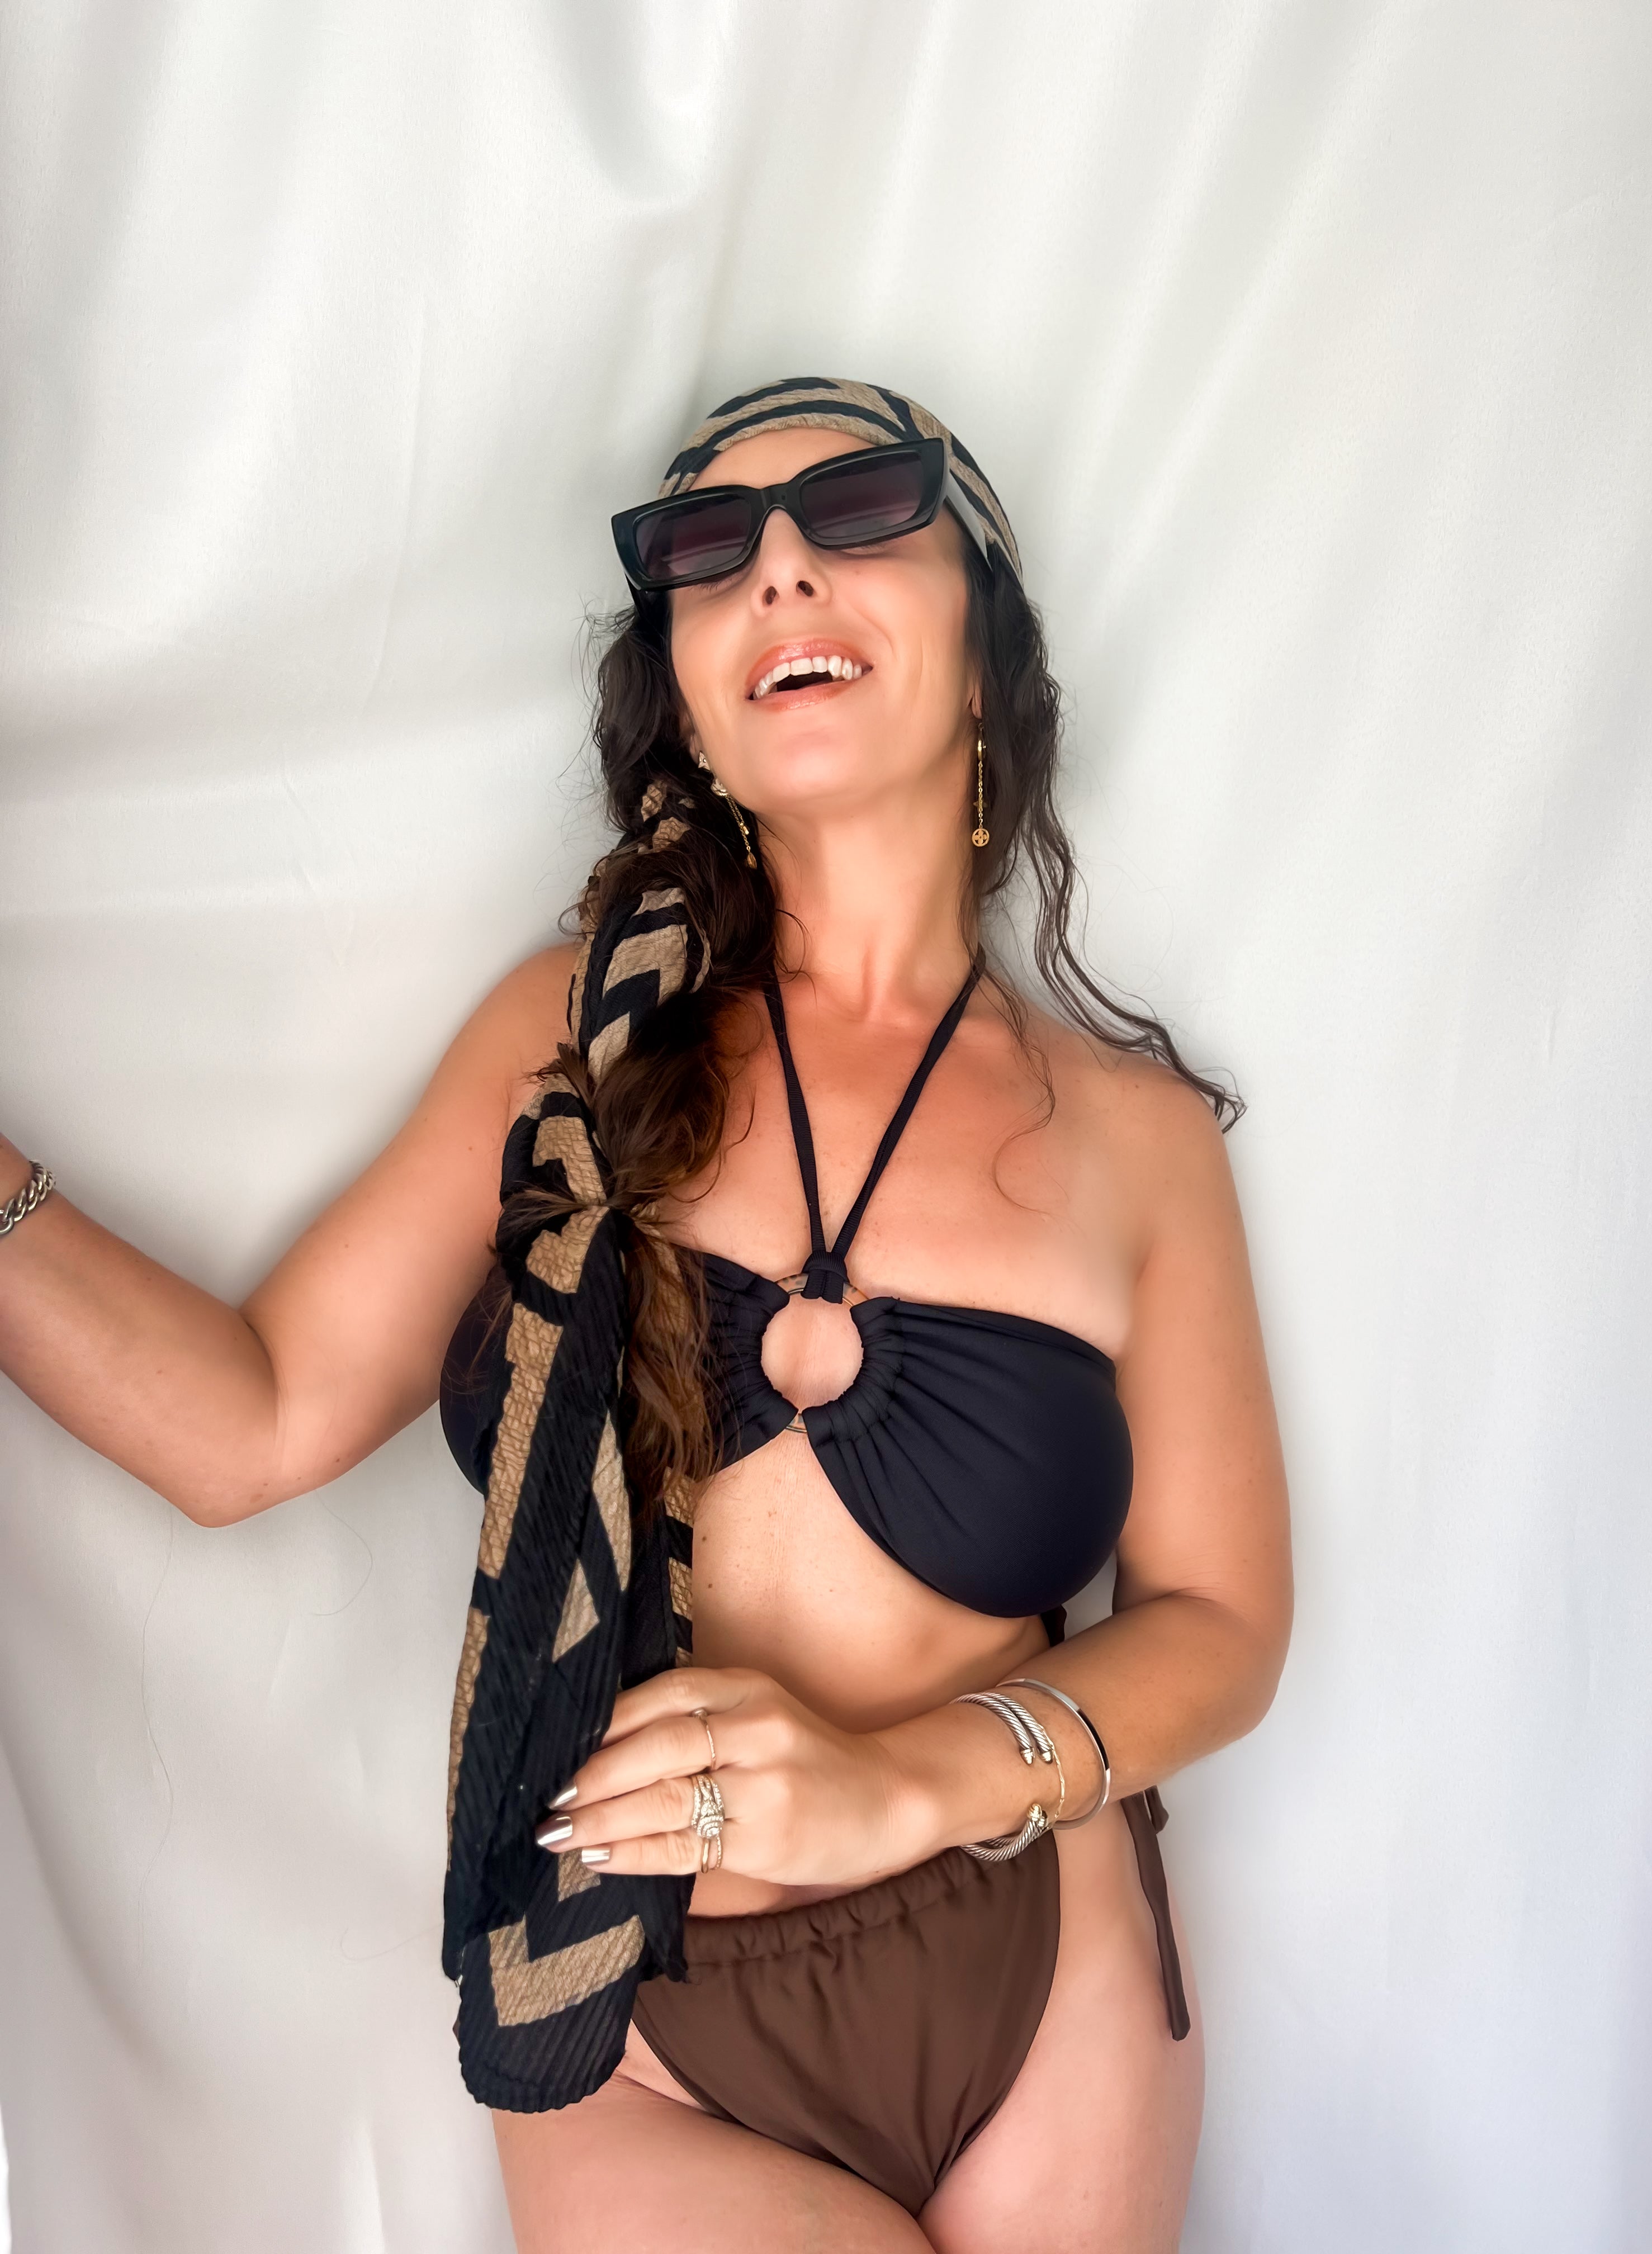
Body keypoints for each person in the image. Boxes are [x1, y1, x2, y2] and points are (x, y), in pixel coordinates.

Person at [0, 376, 1291, 2253]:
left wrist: (898, 1788)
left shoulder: (1137, 1137)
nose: (778, 568)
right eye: (708, 546)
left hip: (1037, 1945)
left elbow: (1223, 1626)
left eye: (862, 507)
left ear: (990, 651)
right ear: (686, 703)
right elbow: (248, 1421)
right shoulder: (570, 1048)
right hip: (633, 2011)